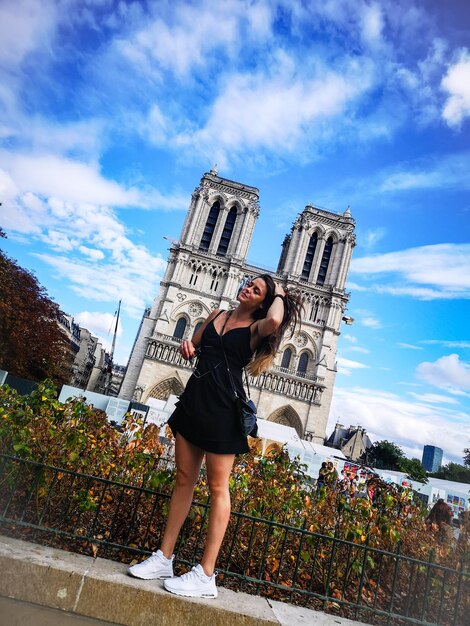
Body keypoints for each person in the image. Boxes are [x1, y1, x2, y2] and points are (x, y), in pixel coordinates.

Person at [128, 275, 303, 598]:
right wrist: (189, 347)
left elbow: (276, 319)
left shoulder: (256, 328)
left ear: (262, 302)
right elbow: (195, 344)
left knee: (218, 487)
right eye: (248, 283)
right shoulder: (218, 314)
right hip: (196, 396)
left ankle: (206, 575)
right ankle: (164, 558)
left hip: (224, 406)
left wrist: (278, 292)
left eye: (256, 290)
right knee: (183, 479)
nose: (247, 288)